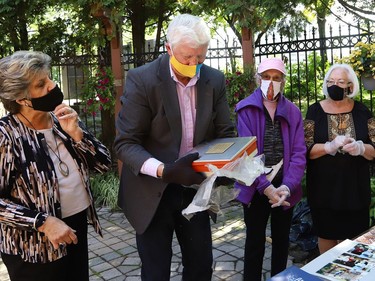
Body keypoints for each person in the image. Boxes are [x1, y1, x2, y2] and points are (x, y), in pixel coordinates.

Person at [114, 14, 235, 281]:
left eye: (200, 58)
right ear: (168, 49)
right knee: (156, 272)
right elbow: (125, 143)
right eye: (186, 58)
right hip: (152, 190)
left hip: (195, 187)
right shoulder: (142, 80)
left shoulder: (213, 80)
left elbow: (225, 133)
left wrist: (228, 163)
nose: (193, 65)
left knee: (201, 267)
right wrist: (165, 171)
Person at [0, 51, 112, 281]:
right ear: (21, 98)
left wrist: (77, 134)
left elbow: (103, 165)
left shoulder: (62, 119)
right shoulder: (6, 136)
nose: (52, 86)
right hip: (34, 247)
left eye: (49, 78)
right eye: (41, 84)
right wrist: (42, 222)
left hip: (74, 229)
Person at [234, 57, 306, 280]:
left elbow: (298, 153)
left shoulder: (293, 112)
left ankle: (279, 278)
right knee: (254, 240)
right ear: (258, 78)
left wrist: (287, 185)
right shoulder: (245, 109)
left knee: (282, 240)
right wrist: (265, 188)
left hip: (284, 187)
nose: (271, 82)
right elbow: (247, 155)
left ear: (283, 81)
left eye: (276, 78)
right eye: (266, 77)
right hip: (256, 185)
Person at [304, 63, 375, 254]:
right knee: (326, 236)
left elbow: (374, 148)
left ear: (350, 86)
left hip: (355, 190)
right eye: (330, 81)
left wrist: (361, 148)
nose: (334, 85)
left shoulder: (362, 111)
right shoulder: (314, 111)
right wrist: (330, 146)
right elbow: (306, 148)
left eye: (340, 82)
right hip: (323, 190)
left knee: (355, 241)